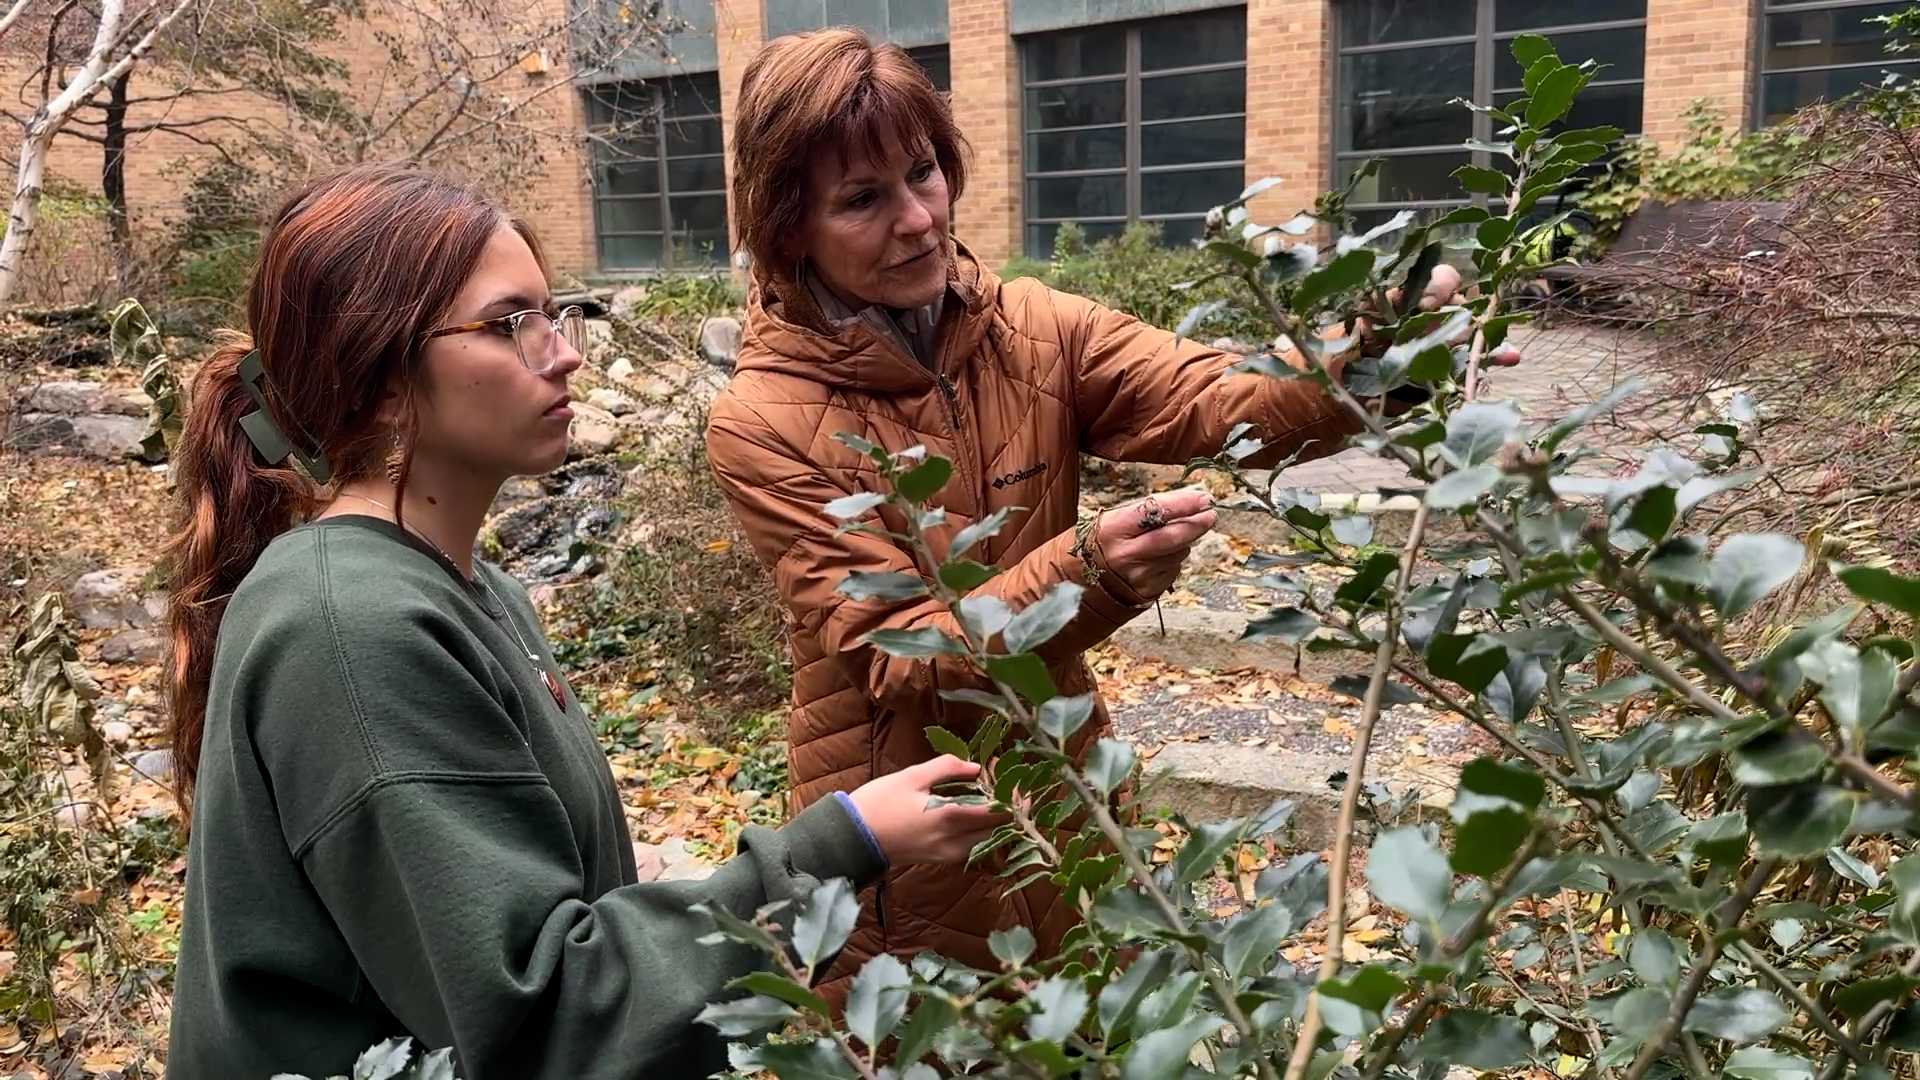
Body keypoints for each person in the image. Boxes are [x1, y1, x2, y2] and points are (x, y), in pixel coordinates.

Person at [705, 28, 1519, 1000]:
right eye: (862, 200)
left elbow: (1220, 398)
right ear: (789, 225)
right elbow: (898, 659)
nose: (919, 218)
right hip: (897, 864)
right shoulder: (763, 421)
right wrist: (1090, 573)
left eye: (923, 173)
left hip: (1067, 796)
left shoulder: (1033, 333)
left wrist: (1383, 355)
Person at [161, 163, 1002, 1080]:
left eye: (553, 316)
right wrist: (843, 843)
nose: (563, 354)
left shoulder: (469, 587)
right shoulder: (352, 627)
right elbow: (547, 1020)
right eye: (507, 325)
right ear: (381, 376)